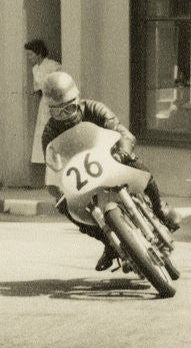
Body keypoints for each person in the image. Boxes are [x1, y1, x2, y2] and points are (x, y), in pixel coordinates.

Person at [40, 71, 180, 272]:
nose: (65, 116)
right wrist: (58, 189)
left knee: (134, 162)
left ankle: (160, 209)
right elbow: (53, 168)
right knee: (65, 207)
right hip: (84, 182)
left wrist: (122, 151)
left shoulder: (94, 109)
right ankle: (109, 242)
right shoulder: (49, 134)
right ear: (50, 111)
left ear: (77, 100)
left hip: (111, 161)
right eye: (58, 112)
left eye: (69, 108)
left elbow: (122, 132)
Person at [24, 39, 63, 166]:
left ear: (39, 53)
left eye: (31, 55)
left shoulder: (53, 66)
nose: (29, 58)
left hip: (55, 102)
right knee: (44, 136)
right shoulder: (35, 69)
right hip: (44, 104)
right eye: (27, 55)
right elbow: (38, 90)